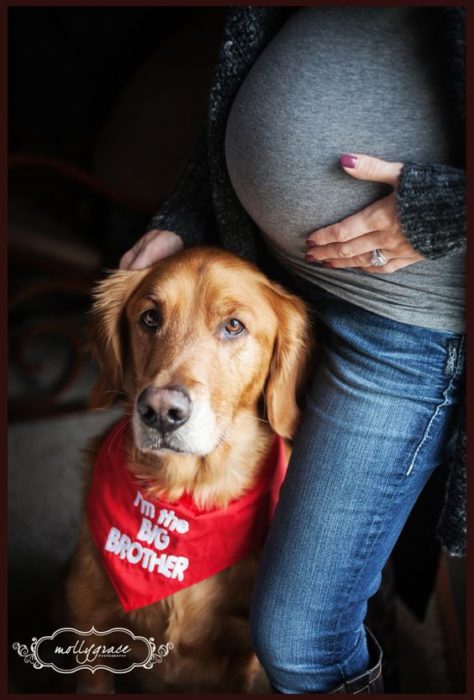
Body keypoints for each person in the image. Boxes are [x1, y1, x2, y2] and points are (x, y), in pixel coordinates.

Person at [119, 7, 466, 694]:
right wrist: (184, 214)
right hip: (265, 272)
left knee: (298, 636)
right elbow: (239, 81)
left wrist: (447, 207)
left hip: (401, 324)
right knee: (351, 563)